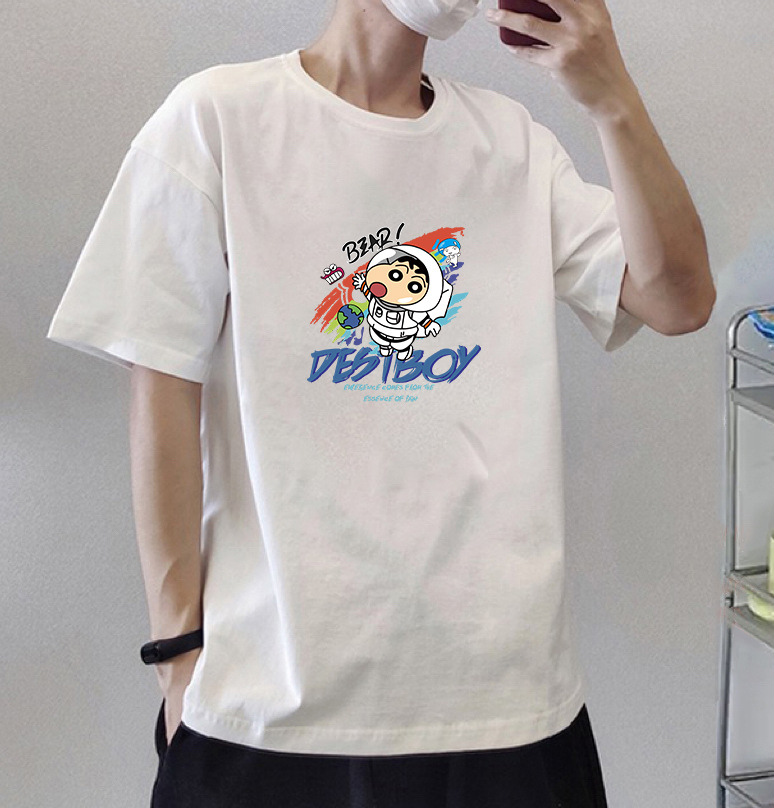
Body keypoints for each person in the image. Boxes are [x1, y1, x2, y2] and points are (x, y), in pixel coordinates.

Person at [46, 0, 714, 804]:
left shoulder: (512, 145)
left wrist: (612, 99)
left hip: (506, 705)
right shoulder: (218, 120)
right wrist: (176, 654)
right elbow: (159, 390)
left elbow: (679, 300)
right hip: (268, 706)